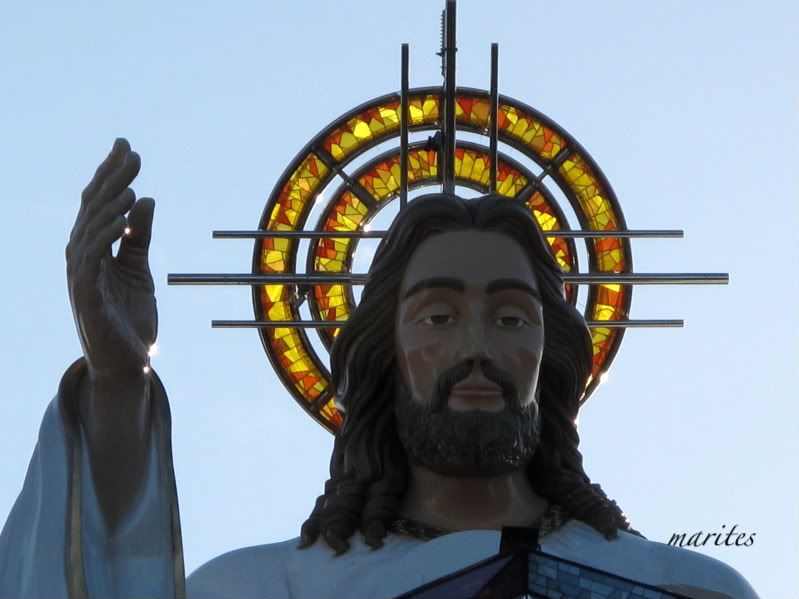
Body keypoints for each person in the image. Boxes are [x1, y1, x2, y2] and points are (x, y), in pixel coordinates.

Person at [0, 139, 758, 598]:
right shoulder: (267, 588)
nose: (475, 345)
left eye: (508, 316)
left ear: (548, 356)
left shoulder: (676, 585)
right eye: (436, 316)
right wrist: (116, 384)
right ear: (383, 356)